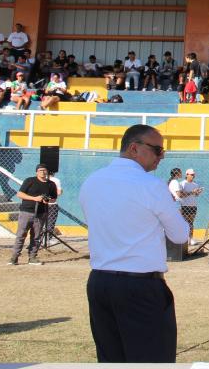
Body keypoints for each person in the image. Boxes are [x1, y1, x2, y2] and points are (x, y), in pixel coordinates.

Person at [80, 124, 188, 363]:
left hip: (100, 282)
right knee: (152, 361)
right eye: (158, 149)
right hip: (140, 286)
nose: (162, 156)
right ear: (134, 148)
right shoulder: (151, 185)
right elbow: (180, 235)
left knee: (110, 360)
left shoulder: (92, 181)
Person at [8, 163, 58, 266]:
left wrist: (47, 200)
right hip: (26, 211)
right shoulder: (30, 181)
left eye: (45, 170)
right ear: (36, 172)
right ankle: (14, 257)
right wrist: (34, 198)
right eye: (40, 170)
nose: (43, 172)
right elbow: (20, 194)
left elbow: (54, 198)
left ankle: (32, 257)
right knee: (21, 235)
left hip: (41, 213)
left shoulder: (51, 184)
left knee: (36, 236)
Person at [179, 169, 203, 246]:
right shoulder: (182, 183)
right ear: (187, 175)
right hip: (185, 206)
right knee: (185, 223)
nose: (193, 176)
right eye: (191, 174)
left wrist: (197, 192)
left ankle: (191, 239)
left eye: (194, 175)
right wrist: (192, 192)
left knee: (191, 223)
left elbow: (195, 195)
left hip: (193, 206)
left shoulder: (195, 184)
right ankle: (184, 239)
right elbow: (181, 195)